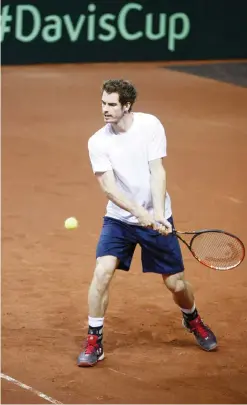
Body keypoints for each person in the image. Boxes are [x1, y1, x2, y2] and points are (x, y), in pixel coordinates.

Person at [77, 79, 217, 367]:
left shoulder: (150, 125)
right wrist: (140, 214)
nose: (105, 109)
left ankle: (192, 318)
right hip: (120, 220)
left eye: (111, 104)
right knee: (102, 271)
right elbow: (109, 188)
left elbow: (157, 171)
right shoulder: (97, 141)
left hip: (157, 216)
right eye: (103, 103)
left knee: (176, 284)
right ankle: (94, 339)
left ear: (126, 105)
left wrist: (157, 215)